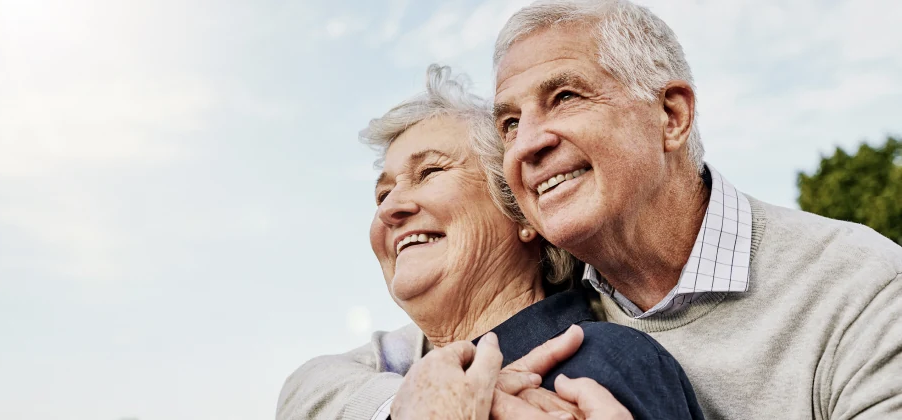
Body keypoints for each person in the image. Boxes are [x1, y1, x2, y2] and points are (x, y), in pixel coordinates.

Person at [278, 0, 902, 419]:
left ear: (671, 115)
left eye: (566, 96)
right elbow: (311, 386)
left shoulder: (861, 289)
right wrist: (414, 406)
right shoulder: (554, 302)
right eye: (511, 121)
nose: (528, 142)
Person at [277, 64, 704, 420]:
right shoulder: (391, 371)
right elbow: (303, 387)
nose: (391, 209)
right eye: (382, 194)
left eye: (429, 173)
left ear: (522, 213)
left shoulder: (600, 364)